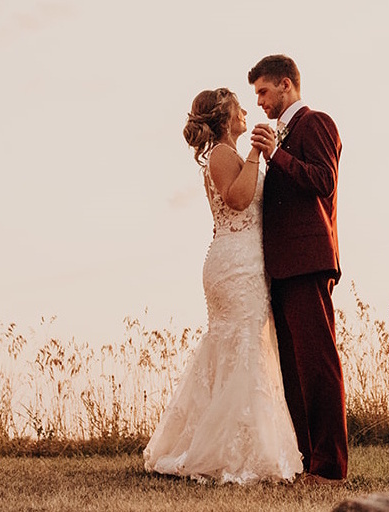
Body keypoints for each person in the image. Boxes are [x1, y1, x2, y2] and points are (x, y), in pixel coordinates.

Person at [142, 88, 302, 484]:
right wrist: (255, 154)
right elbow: (238, 199)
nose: (247, 111)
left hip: (241, 260)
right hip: (235, 264)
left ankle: (238, 441)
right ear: (225, 118)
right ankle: (232, 450)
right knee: (242, 344)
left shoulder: (224, 154)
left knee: (241, 345)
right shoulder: (222, 154)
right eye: (238, 108)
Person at [248, 54, 347, 485]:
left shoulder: (317, 123)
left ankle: (331, 467)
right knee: (293, 370)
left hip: (309, 263)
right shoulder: (280, 137)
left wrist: (277, 156)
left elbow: (323, 180)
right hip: (282, 268)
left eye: (263, 92)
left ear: (286, 85)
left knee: (317, 364)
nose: (260, 103)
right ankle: (306, 462)